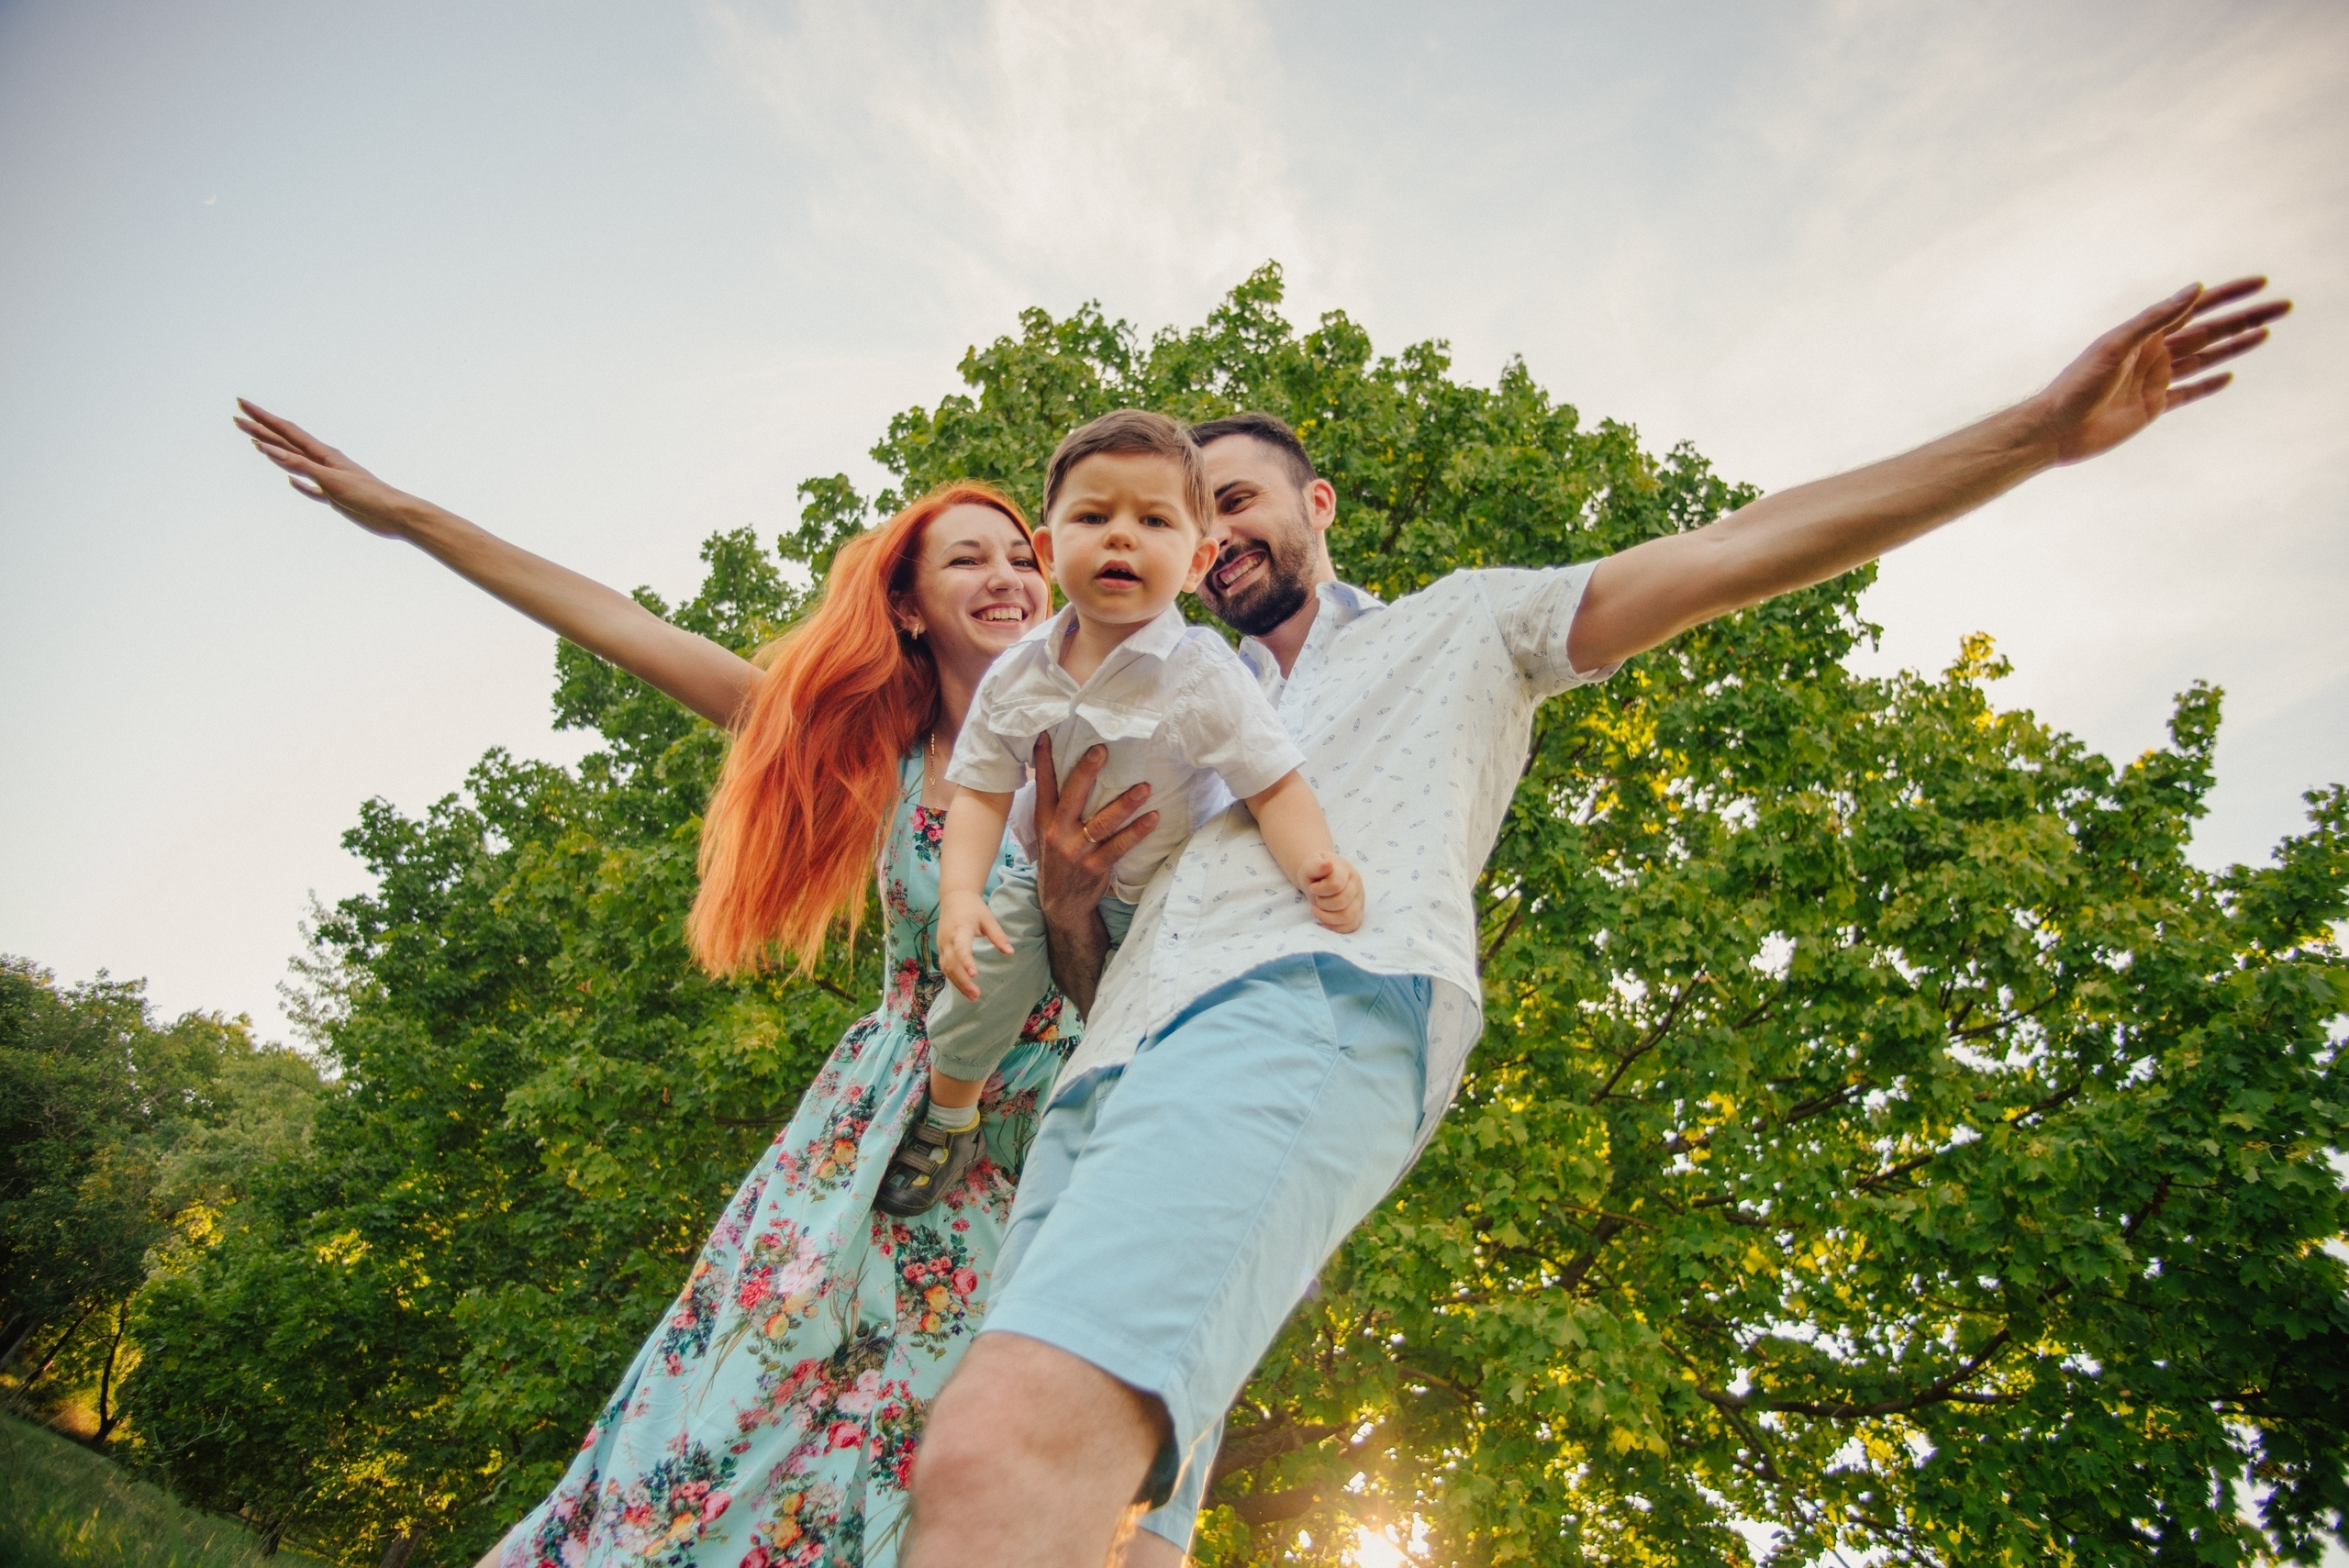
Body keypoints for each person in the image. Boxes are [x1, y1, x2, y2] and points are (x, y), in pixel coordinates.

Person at [897, 277, 2293, 1566]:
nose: (1205, 535)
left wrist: (2035, 432)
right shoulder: (1168, 716)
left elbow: (1741, 545)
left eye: (1231, 499)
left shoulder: (1464, 623)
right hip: (1113, 1073)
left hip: (1309, 1005)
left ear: (1311, 504)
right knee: (1111, 1526)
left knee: (999, 1447)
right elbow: (1087, 972)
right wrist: (1069, 892)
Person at [229, 404, 1206, 1566]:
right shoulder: (879, 767)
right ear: (908, 607)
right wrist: (404, 514)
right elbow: (621, 624)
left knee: (939, 1473)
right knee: (722, 1428)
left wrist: (1070, 906)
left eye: (1016, 554)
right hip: (867, 1146)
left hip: (1034, 1152)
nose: (1004, 575)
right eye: (966, 558)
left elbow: (1154, 997)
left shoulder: (1134, 746)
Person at [876, 409, 1363, 1218]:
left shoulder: (1201, 673)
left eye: (1155, 521)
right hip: (1041, 876)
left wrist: (1319, 864)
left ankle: (1178, 1163)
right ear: (1048, 547)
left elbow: (1274, 786)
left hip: (1168, 899)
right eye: (1094, 517)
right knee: (984, 971)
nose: (1121, 537)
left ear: (1197, 558)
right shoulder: (1018, 672)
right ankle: (950, 1111)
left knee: (1173, 1034)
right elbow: (984, 794)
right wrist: (960, 895)